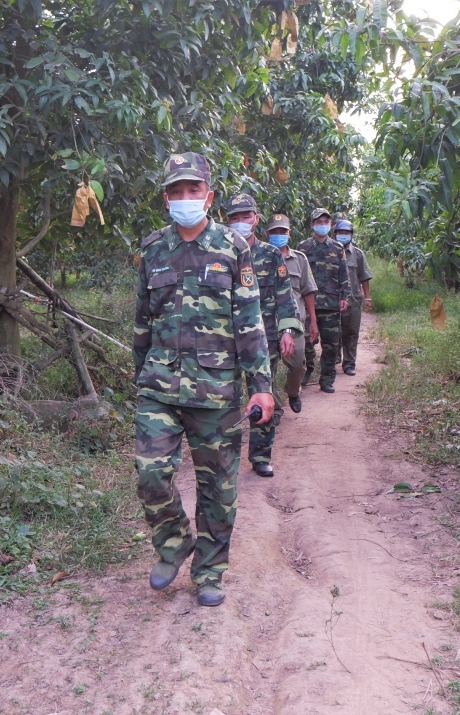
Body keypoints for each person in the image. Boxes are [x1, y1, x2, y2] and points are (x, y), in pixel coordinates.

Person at [132, 152, 275, 608]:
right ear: (166, 199)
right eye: (176, 191)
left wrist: (261, 385)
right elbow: (142, 322)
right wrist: (140, 376)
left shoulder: (234, 248)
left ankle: (210, 571)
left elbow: (250, 320)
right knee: (151, 473)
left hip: (218, 390)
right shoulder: (153, 250)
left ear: (209, 196)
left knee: (218, 487)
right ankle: (174, 544)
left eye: (193, 190)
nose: (185, 198)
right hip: (160, 386)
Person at [224, 194, 302, 478]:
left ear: (256, 218)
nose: (241, 222)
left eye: (246, 216)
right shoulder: (220, 251)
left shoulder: (271, 255)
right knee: (226, 398)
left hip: (263, 339)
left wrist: (287, 331)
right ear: (227, 219)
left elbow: (285, 296)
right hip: (225, 341)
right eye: (235, 217)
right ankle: (224, 456)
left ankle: (260, 456)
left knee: (262, 393)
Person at [264, 213, 318, 413]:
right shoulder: (257, 256)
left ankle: (293, 392)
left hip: (294, 324)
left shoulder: (299, 259)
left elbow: (308, 291)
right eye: (274, 232)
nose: (279, 235)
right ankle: (276, 409)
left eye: (282, 231)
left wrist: (313, 321)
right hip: (266, 322)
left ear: (289, 233)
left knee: (297, 366)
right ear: (267, 233)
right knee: (267, 370)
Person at [297, 207, 349, 393]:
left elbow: (344, 274)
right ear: (312, 224)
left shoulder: (337, 248)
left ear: (331, 225)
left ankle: (327, 379)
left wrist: (345, 296)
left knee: (331, 344)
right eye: (319, 222)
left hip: (330, 303)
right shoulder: (303, 248)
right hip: (307, 302)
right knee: (304, 343)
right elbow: (299, 275)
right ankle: (306, 370)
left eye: (326, 222)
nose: (322, 225)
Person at [333, 218, 372, 375]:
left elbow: (364, 277)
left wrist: (368, 298)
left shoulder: (357, 254)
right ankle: (333, 359)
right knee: (335, 332)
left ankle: (349, 363)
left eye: (347, 233)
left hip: (353, 300)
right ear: (335, 234)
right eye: (340, 233)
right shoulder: (329, 251)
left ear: (351, 235)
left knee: (351, 332)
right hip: (333, 300)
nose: (343, 235)